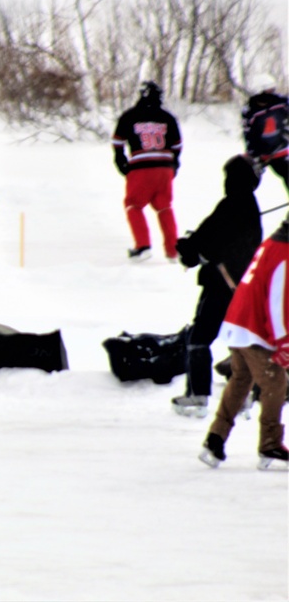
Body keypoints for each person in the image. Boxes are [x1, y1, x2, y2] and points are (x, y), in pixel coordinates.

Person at [172, 155, 262, 417]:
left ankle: (197, 396)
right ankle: (243, 396)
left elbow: (206, 242)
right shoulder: (249, 204)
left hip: (221, 283)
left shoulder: (231, 204)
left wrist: (187, 248)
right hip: (243, 285)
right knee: (241, 340)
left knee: (199, 338)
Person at [199, 216, 289, 470]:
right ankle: (270, 444)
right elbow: (278, 301)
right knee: (275, 381)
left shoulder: (274, 242)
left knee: (241, 380)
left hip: (240, 321)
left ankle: (215, 439)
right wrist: (283, 342)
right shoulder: (285, 251)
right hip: (254, 327)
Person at [111, 81, 183, 262]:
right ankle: (173, 250)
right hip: (164, 167)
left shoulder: (129, 116)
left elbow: (118, 142)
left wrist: (121, 162)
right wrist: (174, 165)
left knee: (133, 205)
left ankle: (143, 246)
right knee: (164, 207)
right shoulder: (168, 117)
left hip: (140, 167)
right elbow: (177, 145)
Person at [241, 73, 288, 192]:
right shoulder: (250, 111)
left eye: (272, 90)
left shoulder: (281, 103)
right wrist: (254, 154)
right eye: (268, 90)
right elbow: (248, 134)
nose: (272, 93)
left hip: (280, 150)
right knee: (243, 180)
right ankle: (243, 207)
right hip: (260, 153)